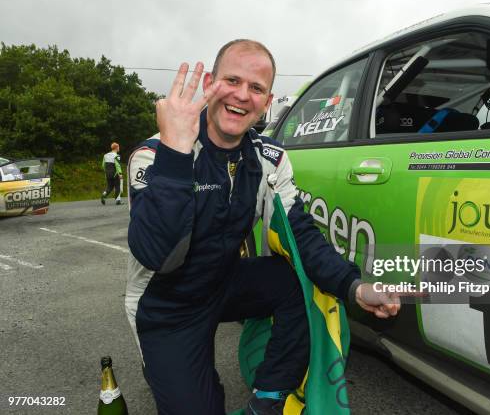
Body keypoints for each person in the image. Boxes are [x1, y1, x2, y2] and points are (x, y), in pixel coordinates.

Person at [125, 39, 404, 415]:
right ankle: (164, 367)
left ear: (268, 100)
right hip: (167, 303)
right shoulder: (154, 153)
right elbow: (158, 254)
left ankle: (269, 396)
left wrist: (354, 286)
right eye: (232, 80)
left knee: (297, 279)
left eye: (256, 88)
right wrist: (176, 151)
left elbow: (302, 234)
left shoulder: (270, 158)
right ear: (210, 82)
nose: (242, 96)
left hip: (221, 281)